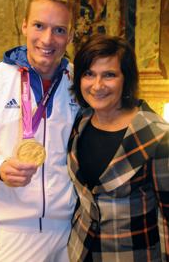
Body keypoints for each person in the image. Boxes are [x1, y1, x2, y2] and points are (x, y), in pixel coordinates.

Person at [0, 0, 79, 262]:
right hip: (13, 235)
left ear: (71, 34)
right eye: (39, 26)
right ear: (24, 26)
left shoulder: (80, 83)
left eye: (59, 29)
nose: (47, 39)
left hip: (71, 232)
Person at [67, 34, 169, 262]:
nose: (97, 85)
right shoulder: (81, 122)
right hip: (78, 251)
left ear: (126, 79)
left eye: (109, 75)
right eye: (89, 74)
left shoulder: (157, 136)